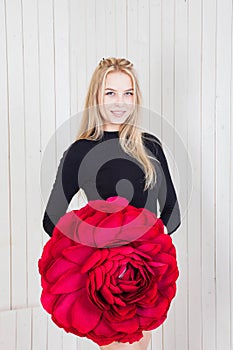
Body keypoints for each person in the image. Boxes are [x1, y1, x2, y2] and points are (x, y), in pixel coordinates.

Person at [42, 57, 181, 350]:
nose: (120, 102)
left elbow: (172, 213)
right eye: (110, 93)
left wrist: (145, 250)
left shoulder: (149, 146)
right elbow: (52, 220)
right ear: (96, 96)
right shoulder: (80, 151)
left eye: (128, 93)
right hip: (104, 281)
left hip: (141, 277)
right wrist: (93, 248)